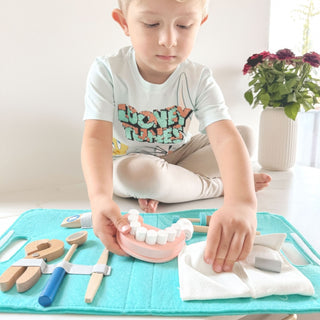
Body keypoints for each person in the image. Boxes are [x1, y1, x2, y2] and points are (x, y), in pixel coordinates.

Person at [81, 0, 271, 273]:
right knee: (143, 174)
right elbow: (95, 139)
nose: (168, 40)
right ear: (124, 22)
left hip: (181, 157)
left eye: (184, 25)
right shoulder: (108, 71)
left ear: (200, 22)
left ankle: (175, 187)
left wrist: (242, 203)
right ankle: (217, 186)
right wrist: (100, 199)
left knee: (244, 136)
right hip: (132, 163)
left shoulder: (198, 76)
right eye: (151, 24)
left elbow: (226, 138)